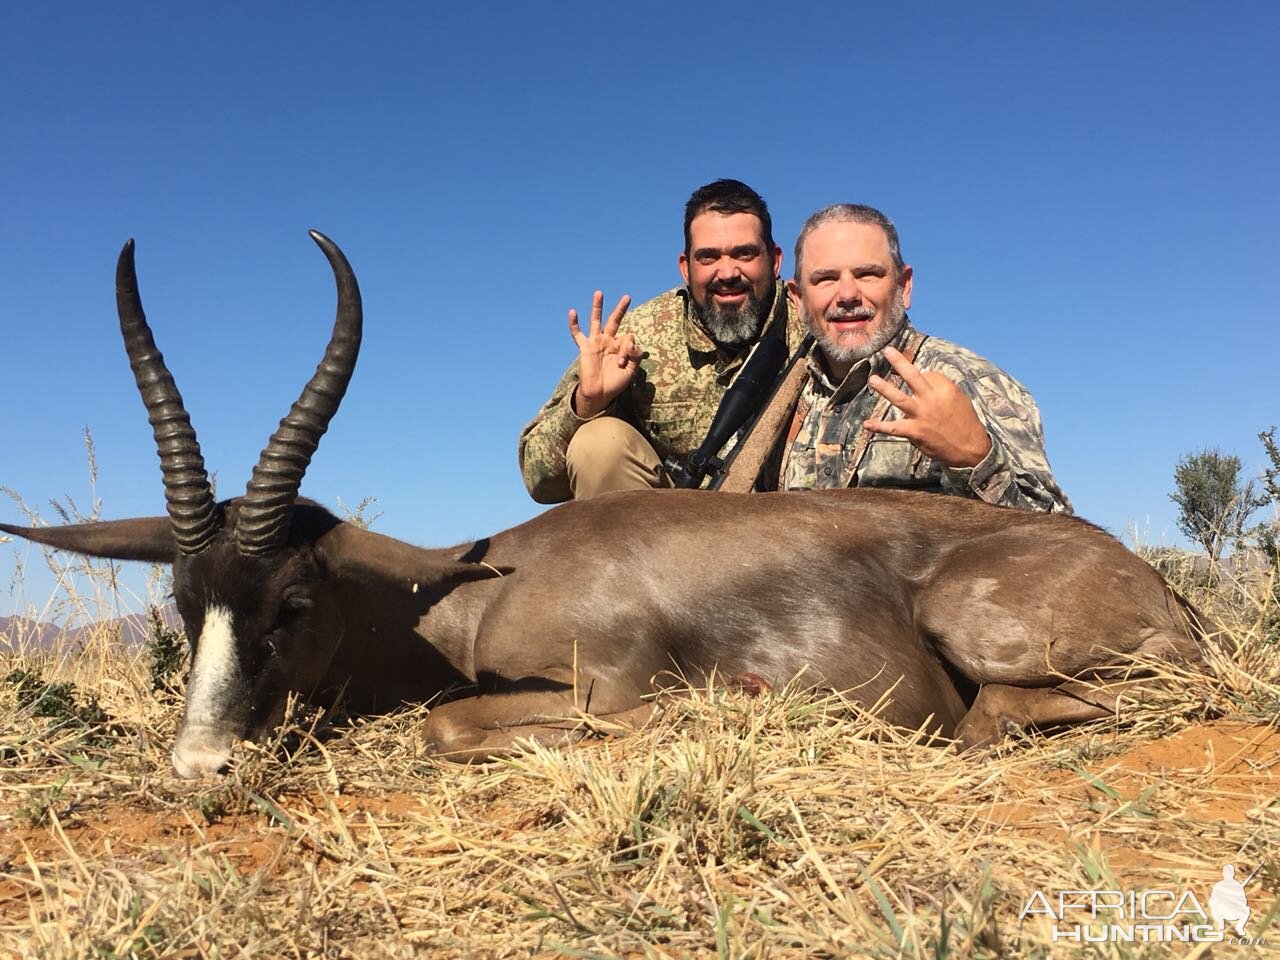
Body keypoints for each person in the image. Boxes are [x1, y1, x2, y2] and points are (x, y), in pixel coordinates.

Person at [767, 203, 1070, 513]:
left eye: (867, 274)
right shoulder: (776, 402)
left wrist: (975, 459)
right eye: (826, 279)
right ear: (798, 298)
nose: (847, 294)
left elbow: (1058, 543)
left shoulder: (967, 381)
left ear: (904, 286)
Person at [518, 179, 806, 503]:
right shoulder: (635, 338)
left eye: (744, 254)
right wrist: (587, 403)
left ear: (775, 260)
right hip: (671, 536)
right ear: (686, 267)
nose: (727, 272)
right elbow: (537, 479)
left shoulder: (817, 326)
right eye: (708, 258)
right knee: (598, 445)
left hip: (792, 534)